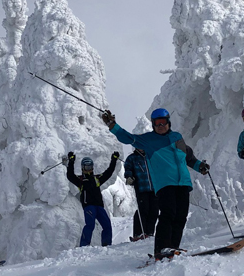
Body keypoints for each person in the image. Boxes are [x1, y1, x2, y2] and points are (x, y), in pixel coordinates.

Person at [102, 108, 209, 259]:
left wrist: (200, 166)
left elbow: (188, 157)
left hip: (183, 183)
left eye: (163, 122)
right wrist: (113, 125)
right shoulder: (149, 140)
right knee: (168, 213)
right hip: (165, 183)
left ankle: (173, 248)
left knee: (181, 216)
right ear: (153, 125)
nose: (160, 126)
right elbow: (127, 137)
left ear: (168, 122)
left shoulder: (177, 137)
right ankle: (161, 248)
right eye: (157, 123)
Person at [66, 152, 119, 247]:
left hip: (99, 206)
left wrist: (114, 160)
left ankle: (107, 245)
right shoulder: (80, 180)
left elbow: (109, 172)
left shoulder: (97, 179)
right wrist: (71, 161)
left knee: (107, 225)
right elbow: (70, 175)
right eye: (87, 167)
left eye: (90, 167)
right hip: (88, 206)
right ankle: (84, 245)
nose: (89, 170)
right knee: (90, 225)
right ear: (82, 168)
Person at [124, 147, 157, 241]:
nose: (141, 148)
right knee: (143, 209)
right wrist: (129, 176)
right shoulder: (132, 158)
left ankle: (150, 232)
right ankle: (138, 233)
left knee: (154, 210)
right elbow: (128, 168)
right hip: (141, 188)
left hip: (154, 188)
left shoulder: (151, 156)